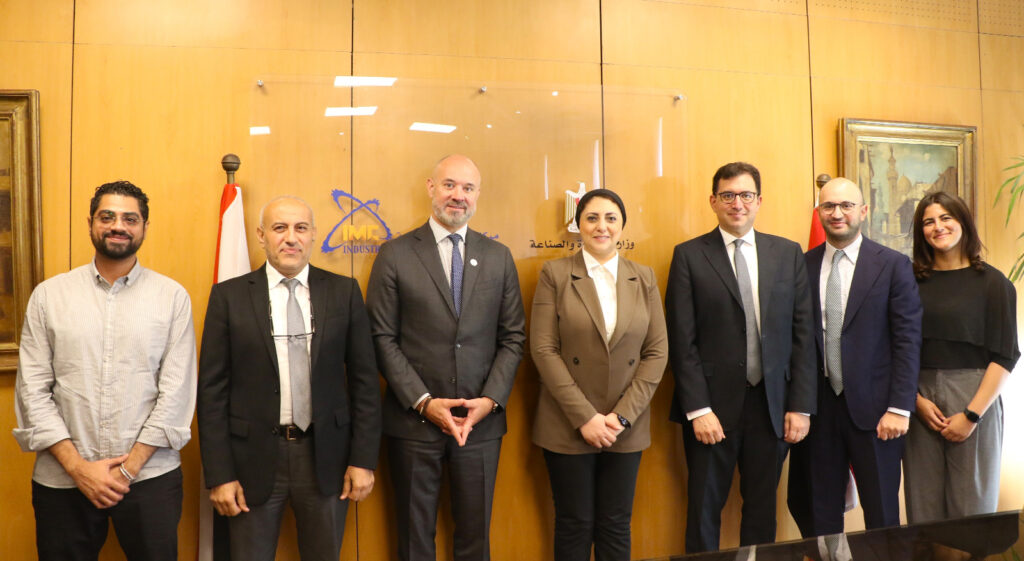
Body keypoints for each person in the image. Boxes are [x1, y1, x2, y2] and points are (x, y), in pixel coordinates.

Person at [13, 181, 196, 560]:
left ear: (144, 227)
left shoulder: (172, 297)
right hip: (63, 478)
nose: (118, 226)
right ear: (91, 223)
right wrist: (78, 468)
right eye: (107, 216)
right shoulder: (49, 296)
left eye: (130, 218)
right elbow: (32, 391)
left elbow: (176, 393)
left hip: (150, 477)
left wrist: (126, 471)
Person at [196, 196, 381, 560]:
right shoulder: (229, 297)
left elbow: (365, 385)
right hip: (252, 462)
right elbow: (211, 393)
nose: (291, 238)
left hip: (327, 458)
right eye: (280, 228)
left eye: (300, 228)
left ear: (313, 234)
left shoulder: (344, 292)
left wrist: (363, 460)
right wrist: (220, 474)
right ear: (261, 235)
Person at [366, 154, 526, 561]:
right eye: (450, 185)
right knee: (414, 540)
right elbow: (382, 337)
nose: (459, 196)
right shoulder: (395, 254)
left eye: (468, 188)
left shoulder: (498, 256)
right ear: (431, 187)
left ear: (478, 194)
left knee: (475, 540)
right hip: (413, 423)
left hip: (480, 425)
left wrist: (489, 401)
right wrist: (423, 402)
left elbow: (513, 337)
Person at [665, 162, 816, 553]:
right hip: (711, 409)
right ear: (713, 201)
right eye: (728, 195)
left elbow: (804, 336)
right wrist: (698, 409)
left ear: (759, 201)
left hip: (773, 407)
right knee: (703, 510)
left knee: (763, 512)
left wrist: (800, 405)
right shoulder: (689, 256)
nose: (737, 204)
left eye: (746, 195)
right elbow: (682, 341)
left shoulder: (787, 253)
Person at [531, 189, 668, 561]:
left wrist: (620, 417)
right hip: (566, 422)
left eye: (611, 218)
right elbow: (544, 350)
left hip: (625, 424)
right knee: (573, 524)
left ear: (622, 225)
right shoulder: (555, 274)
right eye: (591, 218)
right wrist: (585, 418)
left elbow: (657, 352)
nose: (601, 226)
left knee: (615, 525)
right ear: (578, 225)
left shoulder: (644, 277)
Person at [787, 177, 922, 536]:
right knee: (821, 518)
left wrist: (900, 407)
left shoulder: (892, 265)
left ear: (863, 211)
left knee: (882, 518)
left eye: (846, 205)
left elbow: (908, 340)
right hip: (817, 410)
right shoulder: (801, 265)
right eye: (828, 206)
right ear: (819, 212)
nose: (837, 213)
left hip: (877, 413)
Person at [903, 191, 1018, 523]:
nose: (938, 227)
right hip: (920, 399)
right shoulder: (908, 282)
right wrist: (914, 401)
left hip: (974, 395)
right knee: (922, 510)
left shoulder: (994, 283)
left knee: (972, 512)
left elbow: (1005, 355)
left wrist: (971, 415)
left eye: (946, 218)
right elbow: (894, 348)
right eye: (928, 222)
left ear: (963, 222)